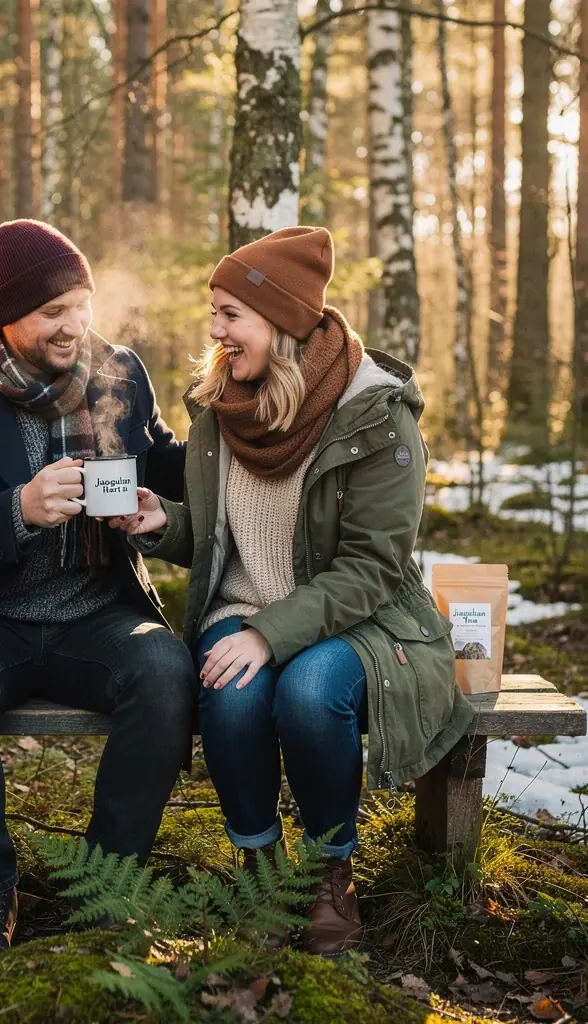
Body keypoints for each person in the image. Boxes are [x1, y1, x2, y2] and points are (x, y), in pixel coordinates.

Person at [115, 226, 474, 956]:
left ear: (280, 323)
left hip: (358, 618)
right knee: (232, 689)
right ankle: (260, 862)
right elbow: (227, 535)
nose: (214, 329)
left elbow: (374, 568)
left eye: (230, 314)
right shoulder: (221, 404)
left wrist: (270, 635)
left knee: (309, 693)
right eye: (213, 310)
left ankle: (326, 871)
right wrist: (164, 524)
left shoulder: (376, 417)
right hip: (241, 607)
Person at [0, 219, 197, 978]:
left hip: (97, 613)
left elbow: (165, 458)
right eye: (53, 312)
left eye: (82, 304)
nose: (75, 326)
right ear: (3, 315)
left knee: (164, 669)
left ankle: (106, 888)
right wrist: (16, 510)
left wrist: (215, 446)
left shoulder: (118, 372)